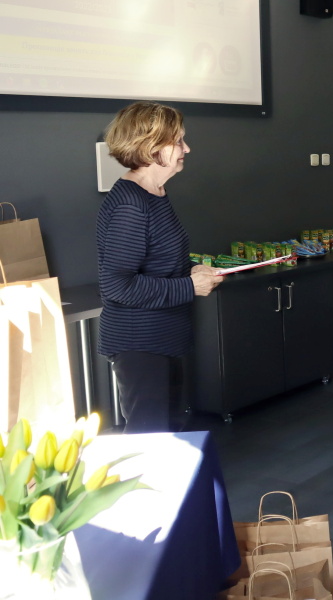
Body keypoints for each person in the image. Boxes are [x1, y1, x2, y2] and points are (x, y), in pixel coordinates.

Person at [97, 101, 223, 433]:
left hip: (163, 336)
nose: (186, 148)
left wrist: (193, 270)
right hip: (139, 343)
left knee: (169, 432)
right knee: (149, 438)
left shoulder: (155, 193)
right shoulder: (130, 205)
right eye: (178, 141)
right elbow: (117, 285)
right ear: (151, 147)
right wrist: (190, 286)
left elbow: (160, 260)